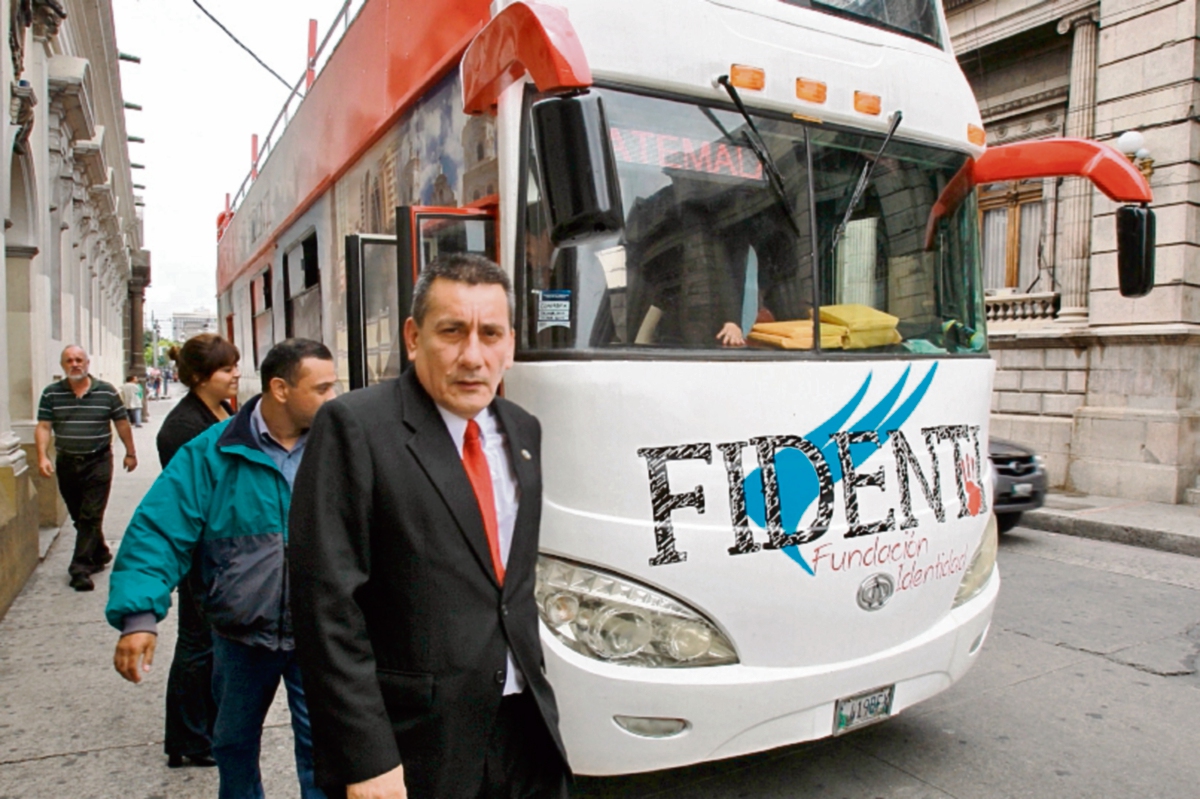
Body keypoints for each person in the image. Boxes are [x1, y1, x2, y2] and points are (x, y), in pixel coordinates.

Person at [290, 254, 570, 799]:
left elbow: (511, 586)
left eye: (490, 334)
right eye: (452, 332)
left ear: (510, 344)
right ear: (414, 337)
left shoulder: (523, 430)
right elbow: (326, 607)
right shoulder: (355, 427)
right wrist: (366, 757)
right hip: (417, 743)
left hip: (523, 727)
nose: (473, 356)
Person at [106, 339, 337, 799]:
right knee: (233, 744)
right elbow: (158, 531)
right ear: (280, 389)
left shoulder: (341, 448)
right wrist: (138, 618)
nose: (334, 400)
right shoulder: (209, 454)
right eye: (323, 388)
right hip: (240, 635)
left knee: (326, 751)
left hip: (322, 633)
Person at [155, 334, 242, 770]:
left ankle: (201, 730)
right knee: (196, 642)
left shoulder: (219, 410)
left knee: (207, 642)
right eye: (227, 369)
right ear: (197, 377)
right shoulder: (181, 429)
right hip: (201, 548)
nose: (235, 375)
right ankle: (187, 738)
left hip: (222, 544)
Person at [35, 345, 138, 591]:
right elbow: (43, 426)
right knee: (78, 514)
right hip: (67, 461)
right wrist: (42, 457)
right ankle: (100, 551)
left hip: (98, 460)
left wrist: (130, 453)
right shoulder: (51, 394)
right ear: (63, 365)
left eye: (79, 359)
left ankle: (79, 567)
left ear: (87, 363)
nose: (75, 364)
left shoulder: (106, 392)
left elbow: (121, 423)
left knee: (91, 514)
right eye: (69, 360)